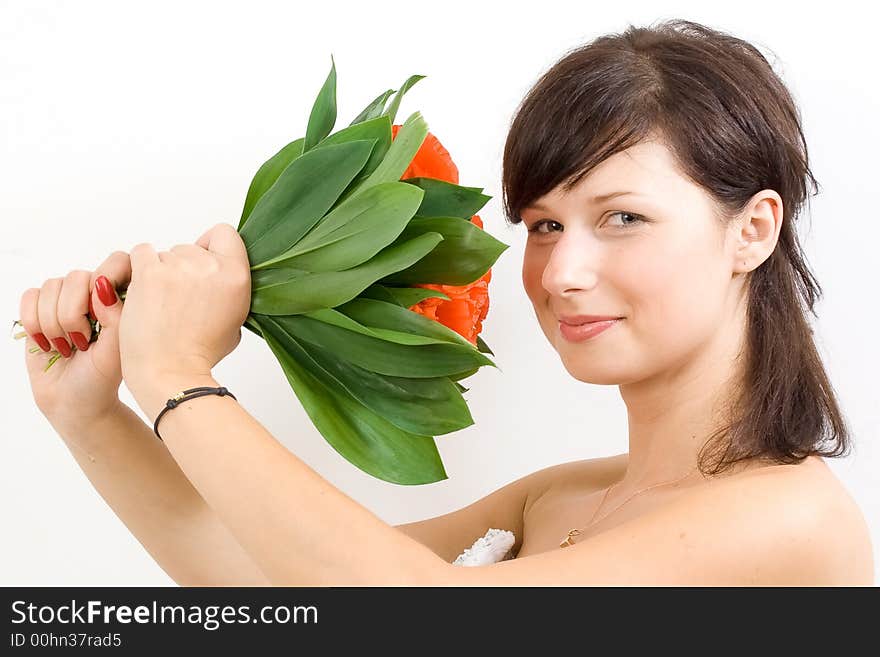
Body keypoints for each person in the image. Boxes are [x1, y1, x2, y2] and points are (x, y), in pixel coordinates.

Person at [18, 18, 873, 586]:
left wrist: (176, 370)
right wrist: (92, 412)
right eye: (543, 223)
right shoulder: (557, 499)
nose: (562, 270)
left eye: (622, 217)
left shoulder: (787, 515)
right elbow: (259, 579)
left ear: (753, 230)